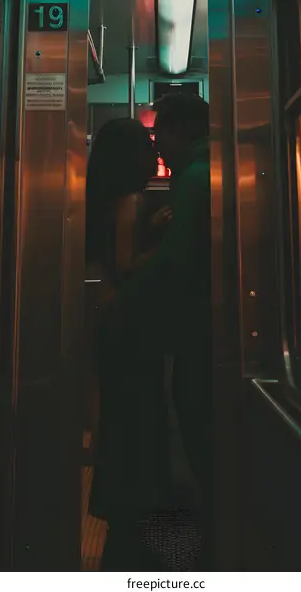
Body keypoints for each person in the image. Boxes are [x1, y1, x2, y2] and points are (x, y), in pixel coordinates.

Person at [122, 93, 213, 558]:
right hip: (205, 325)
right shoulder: (206, 171)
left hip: (197, 331)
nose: (157, 146)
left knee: (194, 421)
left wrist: (124, 303)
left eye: (160, 135)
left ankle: (201, 551)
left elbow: (175, 264)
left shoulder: (195, 179)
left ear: (180, 132)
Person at [85, 117, 171, 568]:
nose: (154, 154)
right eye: (147, 146)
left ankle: (117, 513)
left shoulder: (98, 201)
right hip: (130, 328)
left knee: (117, 420)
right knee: (138, 419)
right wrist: (165, 246)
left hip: (110, 330)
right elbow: (126, 264)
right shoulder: (132, 201)